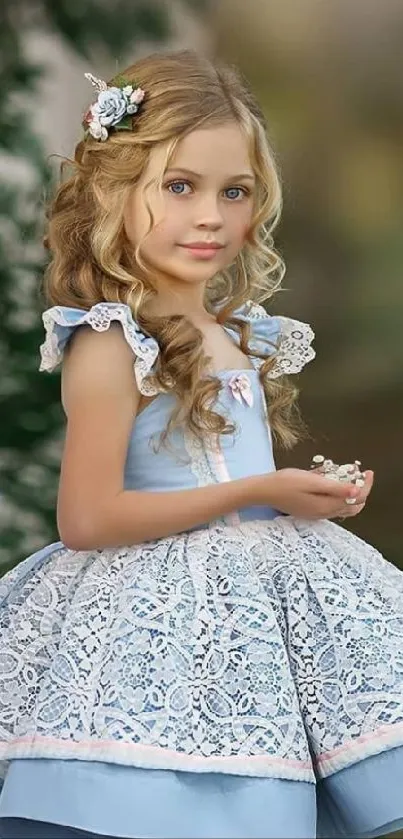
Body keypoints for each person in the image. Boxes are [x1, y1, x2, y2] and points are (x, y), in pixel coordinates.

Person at [0, 48, 401, 839]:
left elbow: (233, 472)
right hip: (147, 616)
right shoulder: (111, 343)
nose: (211, 215)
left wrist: (300, 494)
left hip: (250, 618)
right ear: (117, 191)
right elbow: (86, 517)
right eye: (179, 186)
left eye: (235, 191)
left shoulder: (238, 335)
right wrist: (255, 494)